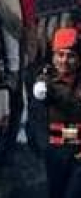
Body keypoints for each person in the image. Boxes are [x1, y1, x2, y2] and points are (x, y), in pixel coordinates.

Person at [33, 27, 81, 197]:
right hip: (56, 152)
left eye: (71, 55)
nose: (64, 61)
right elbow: (37, 123)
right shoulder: (46, 84)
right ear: (53, 57)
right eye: (60, 55)